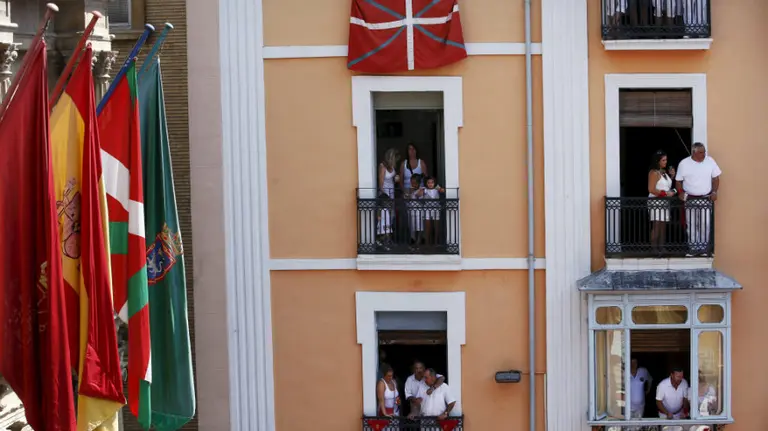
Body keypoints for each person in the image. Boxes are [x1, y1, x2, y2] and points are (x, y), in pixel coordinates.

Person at [675, 142, 721, 256]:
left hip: (705, 198)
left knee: (705, 224)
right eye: (701, 152)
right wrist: (680, 192)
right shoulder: (684, 163)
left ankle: (704, 248)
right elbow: (678, 181)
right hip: (690, 199)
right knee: (691, 224)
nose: (704, 154)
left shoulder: (710, 161)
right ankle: (693, 248)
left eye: (704, 151)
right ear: (694, 152)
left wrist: (714, 191)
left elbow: (716, 178)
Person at [647, 150, 677, 254]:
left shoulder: (663, 172)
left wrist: (672, 176)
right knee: (657, 224)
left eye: (666, 160)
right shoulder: (653, 173)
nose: (665, 162)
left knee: (663, 224)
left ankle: (662, 246)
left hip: (664, 202)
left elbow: (666, 185)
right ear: (657, 161)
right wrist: (665, 194)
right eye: (663, 160)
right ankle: (654, 248)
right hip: (656, 202)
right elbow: (651, 189)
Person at [377, 148, 400, 249]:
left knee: (390, 216)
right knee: (385, 216)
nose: (396, 160)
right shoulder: (383, 166)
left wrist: (396, 179)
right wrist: (383, 195)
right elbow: (381, 182)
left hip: (391, 193)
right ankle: (383, 239)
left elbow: (392, 180)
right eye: (395, 158)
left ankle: (388, 239)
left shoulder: (392, 167)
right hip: (385, 194)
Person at [422, 176, 445, 247]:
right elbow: (418, 194)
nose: (430, 184)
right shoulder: (424, 189)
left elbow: (443, 191)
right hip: (427, 209)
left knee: (436, 227)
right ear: (426, 183)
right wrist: (421, 190)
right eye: (428, 183)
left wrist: (439, 188)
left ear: (434, 183)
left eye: (432, 182)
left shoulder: (436, 189)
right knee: (428, 227)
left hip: (436, 209)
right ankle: (427, 243)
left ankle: (435, 242)